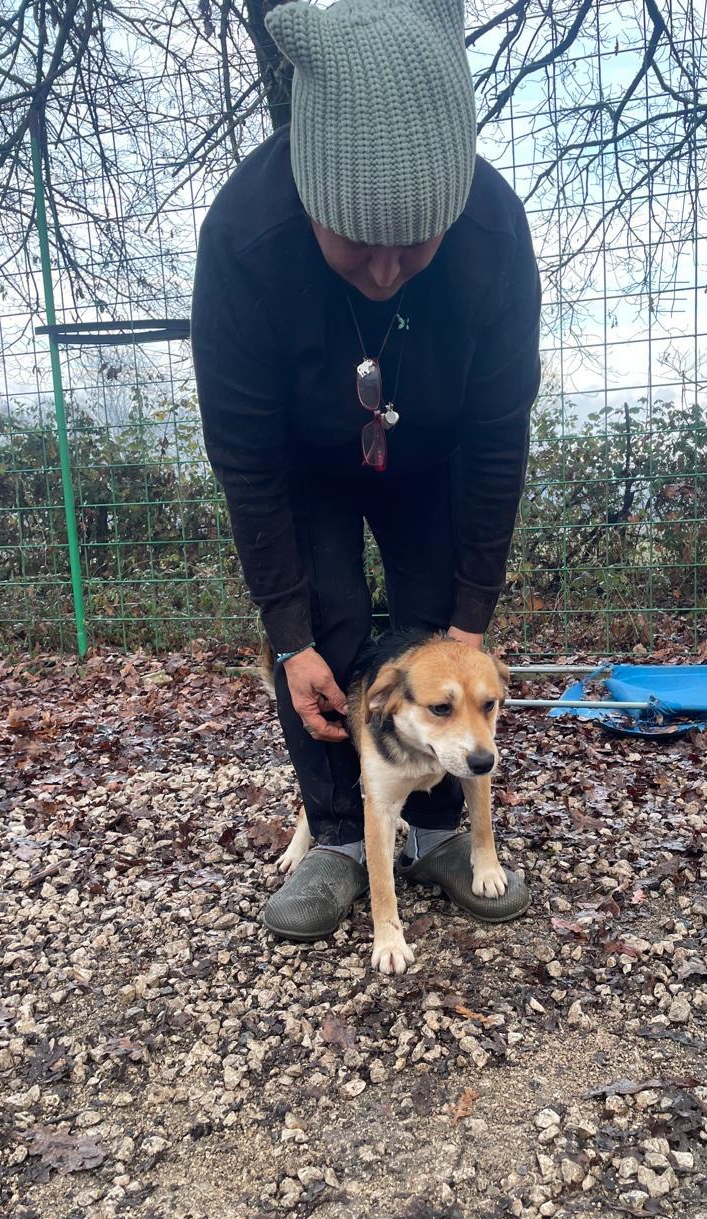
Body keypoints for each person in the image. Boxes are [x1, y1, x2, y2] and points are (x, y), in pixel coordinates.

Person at [190, 0, 541, 942]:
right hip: (302, 461)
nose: (388, 270)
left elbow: (501, 435)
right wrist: (289, 633)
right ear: (310, 198)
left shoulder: (494, 235)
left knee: (433, 621)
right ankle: (341, 838)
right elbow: (245, 454)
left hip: (441, 455)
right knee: (328, 628)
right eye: (359, 242)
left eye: (414, 244)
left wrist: (471, 614)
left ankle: (430, 832)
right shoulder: (244, 239)